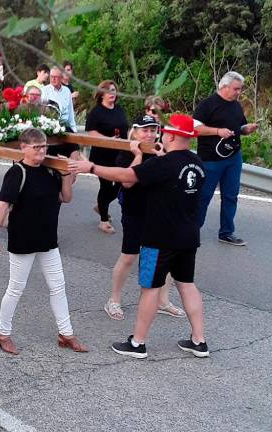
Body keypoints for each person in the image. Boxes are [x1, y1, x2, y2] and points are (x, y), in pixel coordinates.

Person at [68, 114, 210, 359]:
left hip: (159, 238)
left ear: (172, 135)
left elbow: (127, 177)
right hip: (188, 236)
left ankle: (138, 343)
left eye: (163, 131)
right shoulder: (197, 163)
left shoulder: (163, 164)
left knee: (150, 288)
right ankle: (199, 340)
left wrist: (91, 167)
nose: (160, 134)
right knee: (186, 284)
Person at [0, 128, 86, 355]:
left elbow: (66, 198)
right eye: (37, 147)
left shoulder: (50, 171)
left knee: (58, 286)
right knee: (16, 288)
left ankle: (66, 333)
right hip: (23, 240)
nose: (42, 151)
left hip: (48, 239)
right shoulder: (17, 172)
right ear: (23, 148)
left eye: (44, 147)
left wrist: (66, 176)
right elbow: (1, 205)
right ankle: (3, 334)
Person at [104, 114, 185, 321]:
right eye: (145, 130)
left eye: (153, 130)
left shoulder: (162, 150)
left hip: (158, 212)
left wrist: (162, 158)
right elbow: (128, 182)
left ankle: (163, 302)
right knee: (129, 256)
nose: (149, 134)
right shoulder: (126, 152)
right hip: (134, 211)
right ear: (136, 131)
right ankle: (113, 299)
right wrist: (138, 155)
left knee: (164, 258)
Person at [194, 71, 258, 247]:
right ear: (224, 86)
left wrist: (247, 129)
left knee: (231, 196)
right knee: (203, 196)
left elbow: (239, 128)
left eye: (240, 89)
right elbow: (195, 128)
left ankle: (226, 233)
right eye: (236, 89)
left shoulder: (236, 106)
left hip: (233, 158)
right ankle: (192, 230)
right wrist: (217, 131)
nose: (239, 92)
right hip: (210, 159)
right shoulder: (207, 105)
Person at [85, 79, 129, 234]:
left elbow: (125, 129)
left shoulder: (119, 109)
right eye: (108, 90)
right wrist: (108, 140)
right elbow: (91, 133)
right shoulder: (95, 112)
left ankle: (100, 205)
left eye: (114, 90)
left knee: (121, 184)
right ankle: (103, 221)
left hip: (120, 155)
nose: (112, 93)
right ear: (101, 94)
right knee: (105, 186)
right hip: (102, 155)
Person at [41, 66, 79, 159]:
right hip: (51, 129)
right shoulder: (44, 90)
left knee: (75, 154)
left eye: (56, 77)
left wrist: (74, 129)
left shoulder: (67, 91)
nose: (53, 79)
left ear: (61, 78)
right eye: (51, 76)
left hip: (66, 127)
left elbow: (70, 111)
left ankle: (71, 173)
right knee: (55, 157)